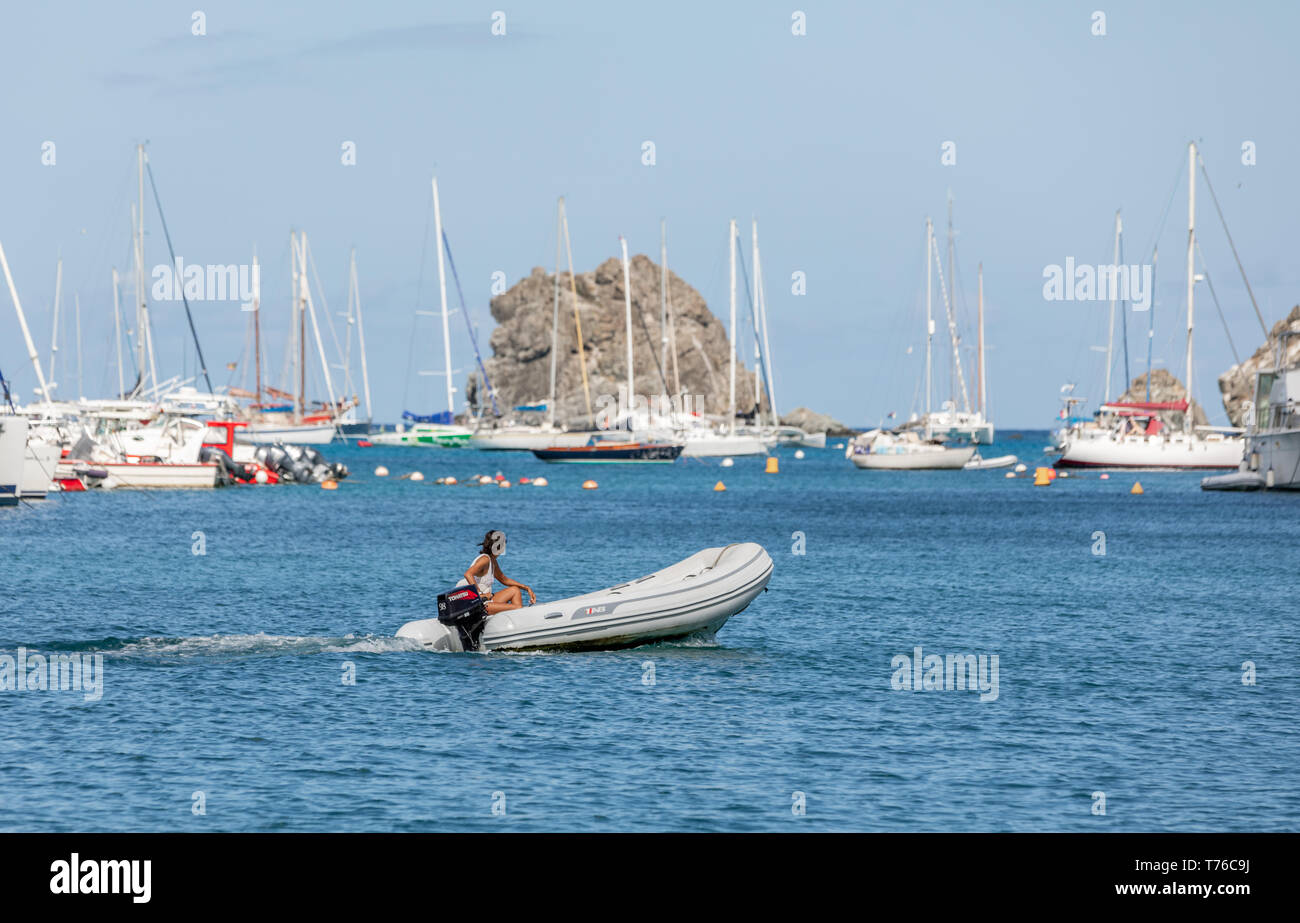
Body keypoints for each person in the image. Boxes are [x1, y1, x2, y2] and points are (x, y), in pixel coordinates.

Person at [461, 530, 535, 615]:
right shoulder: (484, 559)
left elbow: (504, 579)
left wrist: (526, 588)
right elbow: (468, 574)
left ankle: (515, 620)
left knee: (515, 590)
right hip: (477, 604)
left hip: (487, 600)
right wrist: (480, 594)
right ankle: (517, 615)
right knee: (517, 608)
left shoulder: (492, 561)